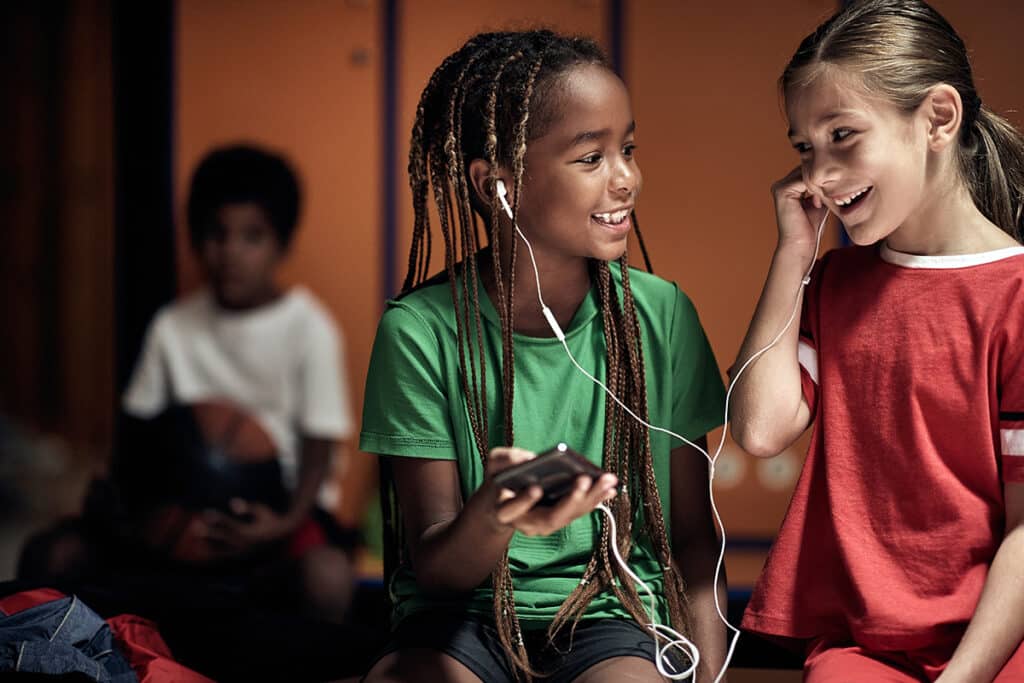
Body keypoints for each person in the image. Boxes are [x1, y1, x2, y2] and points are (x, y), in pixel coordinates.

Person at [360, 30, 728, 683]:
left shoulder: (661, 316)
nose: (627, 179)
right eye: (591, 158)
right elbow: (440, 565)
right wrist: (495, 512)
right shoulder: (417, 331)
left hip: (613, 617)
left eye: (629, 149)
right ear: (495, 184)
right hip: (456, 620)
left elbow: (695, 542)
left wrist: (708, 675)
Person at [730, 1, 1024, 680]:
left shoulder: (1013, 297)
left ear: (938, 119)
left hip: (1002, 640)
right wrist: (792, 252)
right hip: (866, 648)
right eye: (805, 147)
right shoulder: (835, 281)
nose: (820, 175)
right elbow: (759, 427)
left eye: (844, 136)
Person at [119, 144, 357, 622]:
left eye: (252, 236)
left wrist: (284, 523)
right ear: (195, 239)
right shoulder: (172, 326)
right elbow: (138, 433)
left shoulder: (309, 328)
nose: (229, 252)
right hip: (186, 505)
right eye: (215, 234)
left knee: (328, 577)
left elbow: (319, 445)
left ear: (282, 244)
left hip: (281, 511)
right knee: (62, 555)